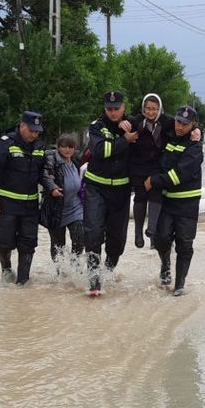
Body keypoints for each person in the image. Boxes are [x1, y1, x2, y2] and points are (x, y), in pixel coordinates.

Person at [0, 111, 51, 285]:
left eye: (37, 131)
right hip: (6, 204)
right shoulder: (5, 144)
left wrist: (53, 187)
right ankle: (6, 270)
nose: (34, 134)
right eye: (31, 130)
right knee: (4, 241)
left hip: (30, 205)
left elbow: (44, 174)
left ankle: (23, 281)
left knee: (28, 243)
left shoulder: (40, 147)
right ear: (22, 126)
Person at [83, 91, 138, 296]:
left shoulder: (133, 123)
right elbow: (100, 151)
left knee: (117, 240)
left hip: (121, 191)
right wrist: (124, 139)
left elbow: (158, 124)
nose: (113, 112)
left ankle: (107, 271)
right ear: (105, 108)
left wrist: (194, 131)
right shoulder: (96, 126)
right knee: (93, 233)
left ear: (123, 107)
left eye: (117, 109)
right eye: (109, 109)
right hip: (96, 188)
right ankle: (94, 282)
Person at [145, 106, 203, 297]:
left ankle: (179, 284)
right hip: (168, 202)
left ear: (192, 124)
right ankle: (166, 264)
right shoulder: (170, 138)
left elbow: (178, 176)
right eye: (178, 121)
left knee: (184, 244)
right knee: (161, 238)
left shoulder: (195, 148)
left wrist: (154, 181)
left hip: (187, 205)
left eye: (185, 124)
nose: (180, 126)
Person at [128, 94, 172, 249]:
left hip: (157, 166)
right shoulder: (136, 121)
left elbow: (184, 125)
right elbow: (122, 121)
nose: (151, 112)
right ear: (143, 109)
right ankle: (138, 233)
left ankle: (152, 231)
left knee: (156, 195)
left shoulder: (167, 122)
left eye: (154, 109)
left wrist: (196, 131)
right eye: (148, 109)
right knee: (140, 197)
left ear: (159, 109)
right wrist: (124, 128)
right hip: (138, 166)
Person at [41, 134, 84, 265]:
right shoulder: (51, 159)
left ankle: (73, 265)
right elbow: (45, 175)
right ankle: (60, 272)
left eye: (70, 147)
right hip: (56, 209)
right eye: (64, 147)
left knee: (80, 238)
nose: (67, 150)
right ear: (59, 147)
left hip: (75, 207)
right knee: (58, 244)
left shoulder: (76, 160)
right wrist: (52, 188)